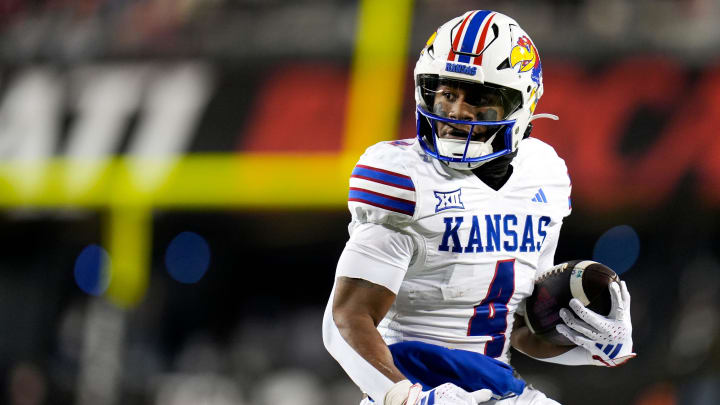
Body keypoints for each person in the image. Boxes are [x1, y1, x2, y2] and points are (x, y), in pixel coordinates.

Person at [322, 10, 635, 405]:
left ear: (520, 105)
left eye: (480, 98)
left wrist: (594, 346)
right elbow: (346, 319)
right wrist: (404, 397)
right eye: (448, 93)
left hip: (496, 384)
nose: (457, 111)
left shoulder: (544, 174)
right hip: (418, 382)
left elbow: (521, 327)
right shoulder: (403, 178)